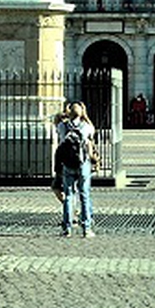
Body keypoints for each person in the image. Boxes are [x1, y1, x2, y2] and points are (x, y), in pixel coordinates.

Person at [53, 100, 97, 238]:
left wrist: (67, 114)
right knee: (84, 195)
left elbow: (57, 124)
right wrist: (85, 115)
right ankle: (86, 228)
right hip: (82, 164)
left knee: (68, 196)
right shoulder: (86, 126)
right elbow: (92, 135)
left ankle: (67, 228)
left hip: (67, 164)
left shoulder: (62, 126)